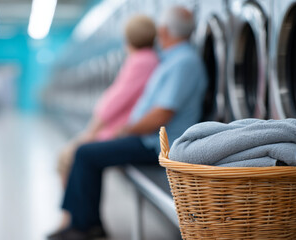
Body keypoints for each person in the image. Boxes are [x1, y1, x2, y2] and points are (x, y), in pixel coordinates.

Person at [48, 6, 208, 240]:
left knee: (85, 153)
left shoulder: (183, 62)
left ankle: (85, 226)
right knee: (88, 153)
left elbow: (162, 114)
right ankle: (85, 222)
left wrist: (126, 129)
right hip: (148, 138)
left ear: (164, 31)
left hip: (160, 145)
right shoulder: (173, 59)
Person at [57, 15, 159, 187]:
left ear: (129, 38)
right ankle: (72, 212)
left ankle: (74, 214)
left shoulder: (141, 61)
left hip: (121, 129)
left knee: (68, 157)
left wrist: (91, 131)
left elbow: (116, 100)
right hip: (124, 128)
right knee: (71, 157)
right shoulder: (148, 59)